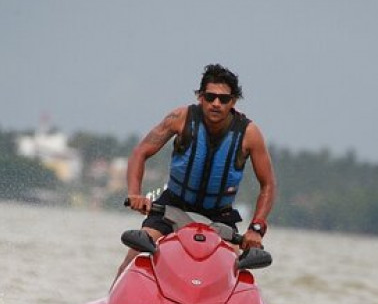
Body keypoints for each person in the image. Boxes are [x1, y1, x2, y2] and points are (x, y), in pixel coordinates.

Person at [116, 63, 277, 280]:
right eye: (210, 97)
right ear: (200, 97)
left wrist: (256, 229)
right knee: (134, 257)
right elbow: (140, 152)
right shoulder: (180, 118)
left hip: (220, 216)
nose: (216, 104)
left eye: (224, 99)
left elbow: (267, 185)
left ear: (234, 101)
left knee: (233, 273)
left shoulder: (250, 134)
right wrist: (135, 194)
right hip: (172, 206)